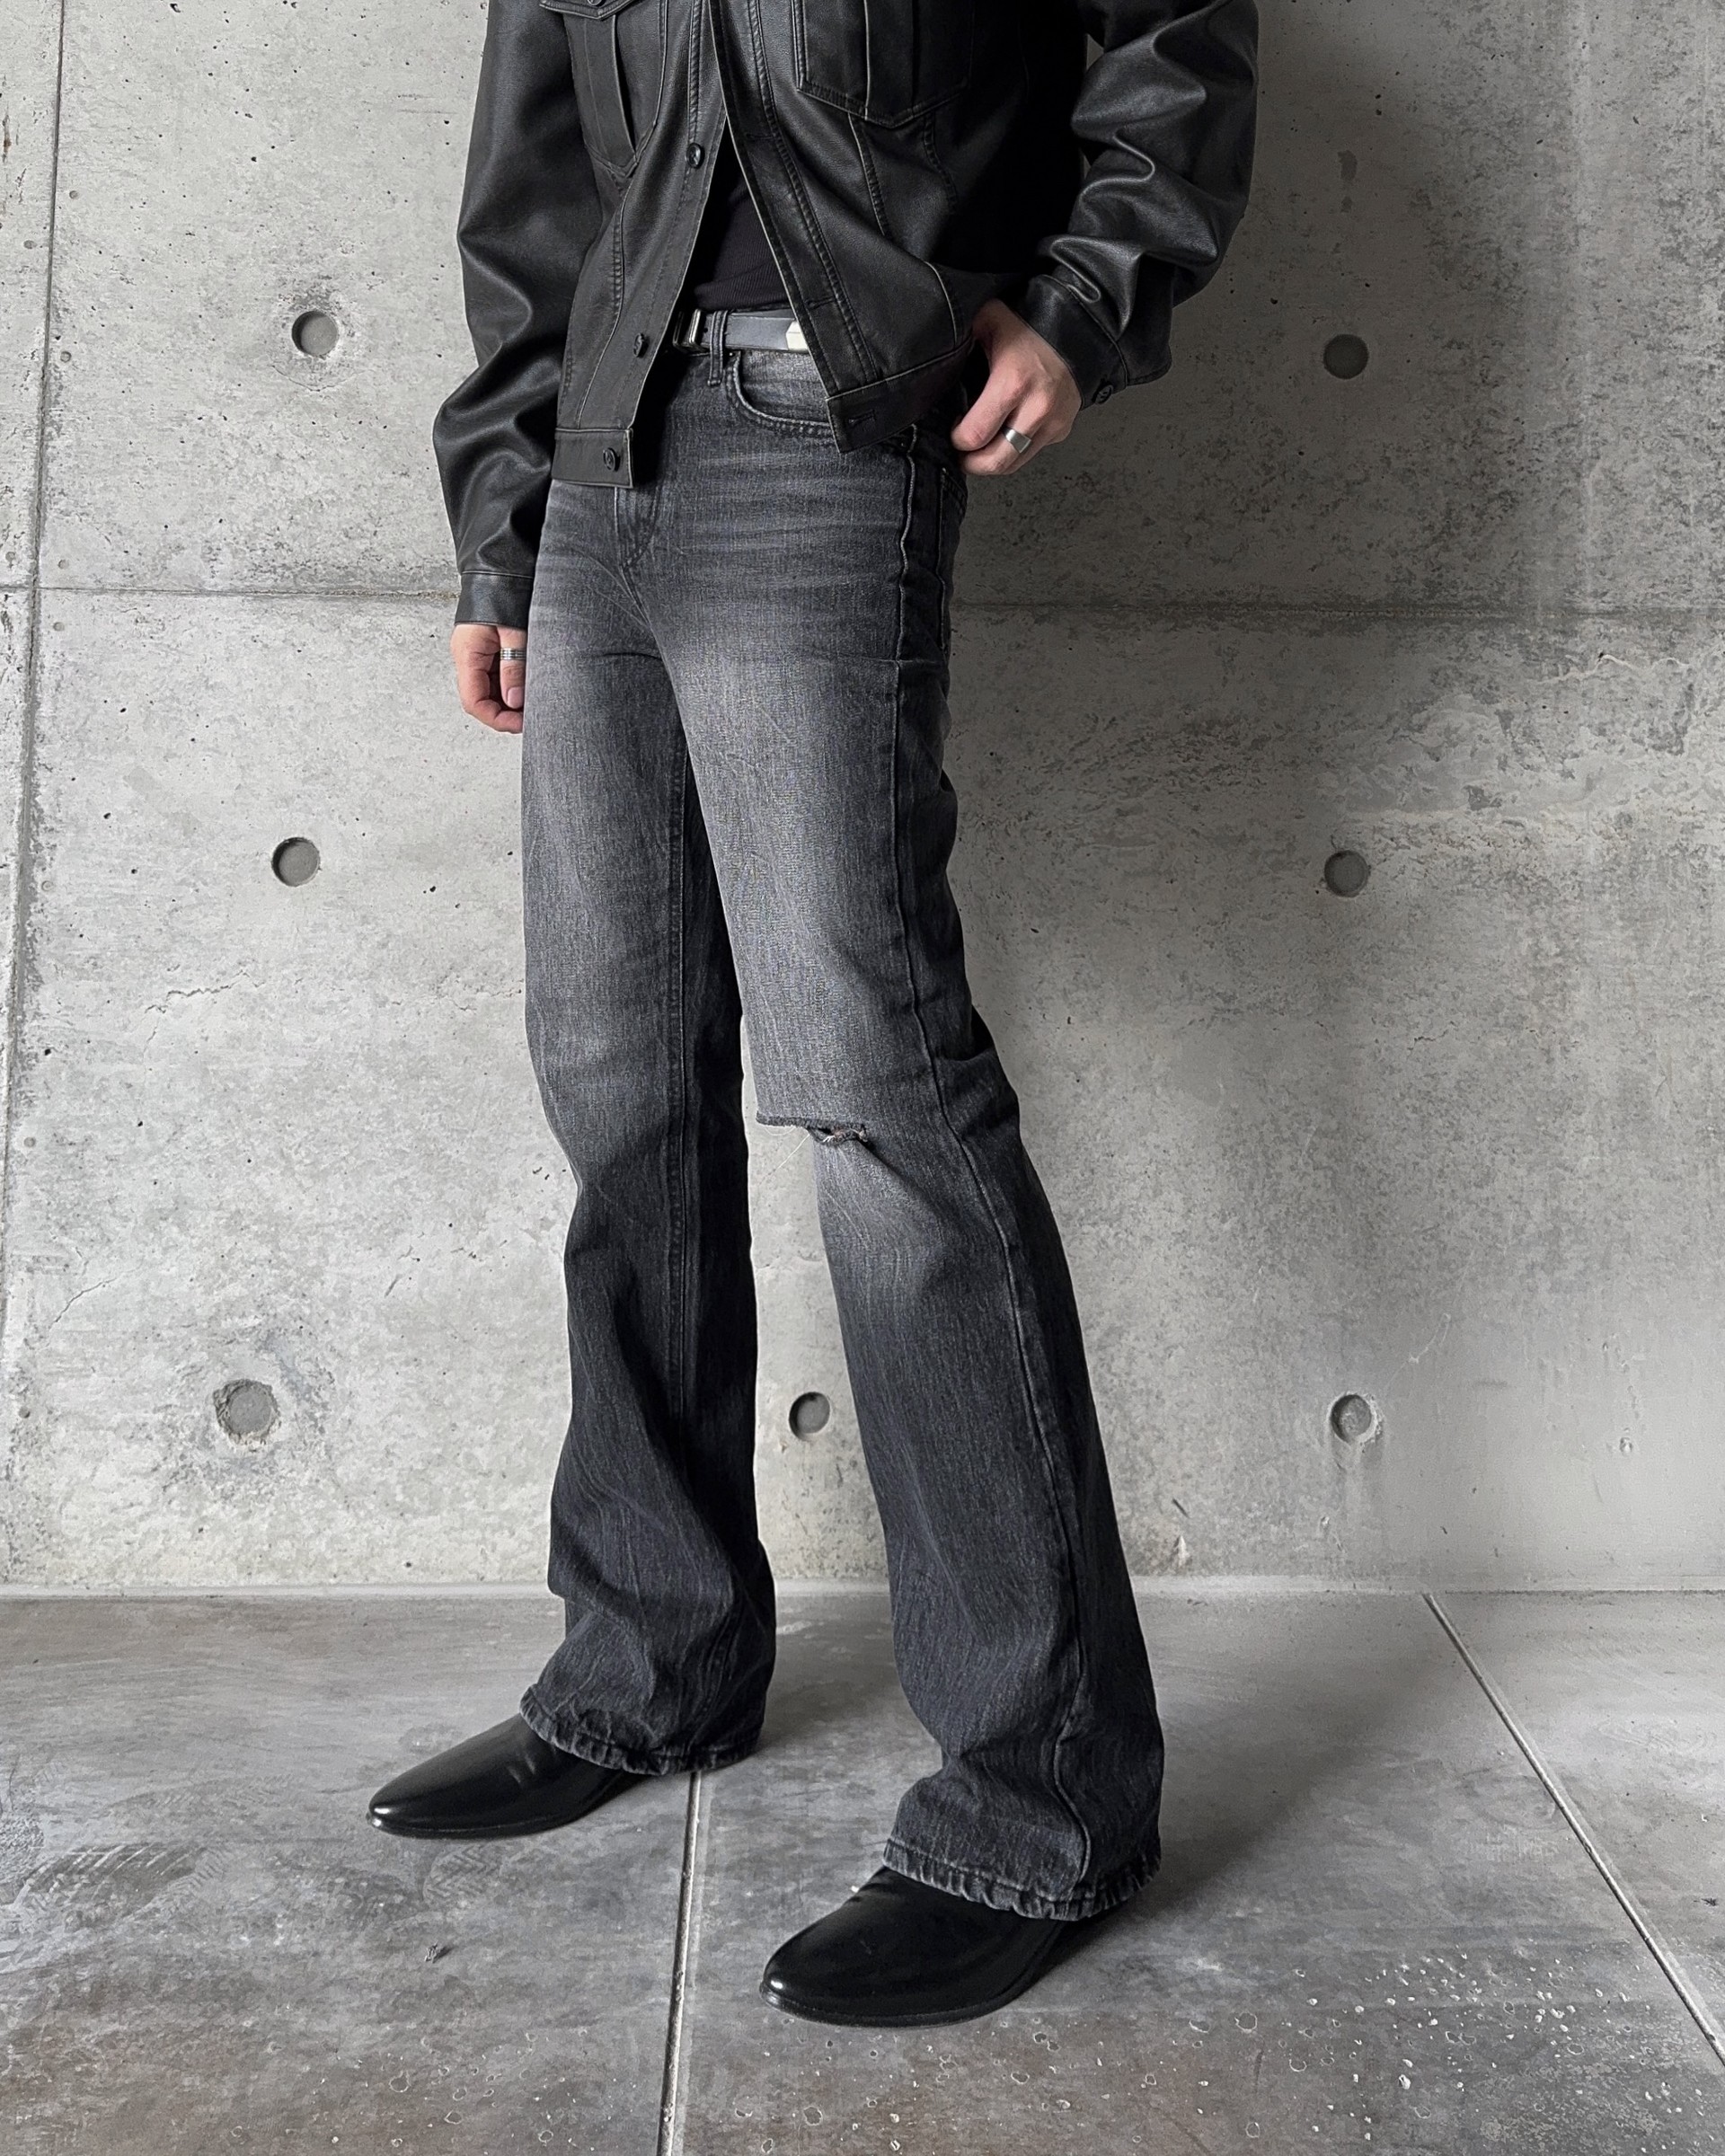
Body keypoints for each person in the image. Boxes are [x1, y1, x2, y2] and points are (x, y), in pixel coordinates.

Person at [367, 0, 1258, 2028]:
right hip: (600, 454)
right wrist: (504, 519)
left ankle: (1040, 1805)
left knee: (876, 1099)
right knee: (615, 1077)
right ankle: (647, 1664)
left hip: (823, 435)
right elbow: (534, 191)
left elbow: (1175, 45)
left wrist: (1080, 306)